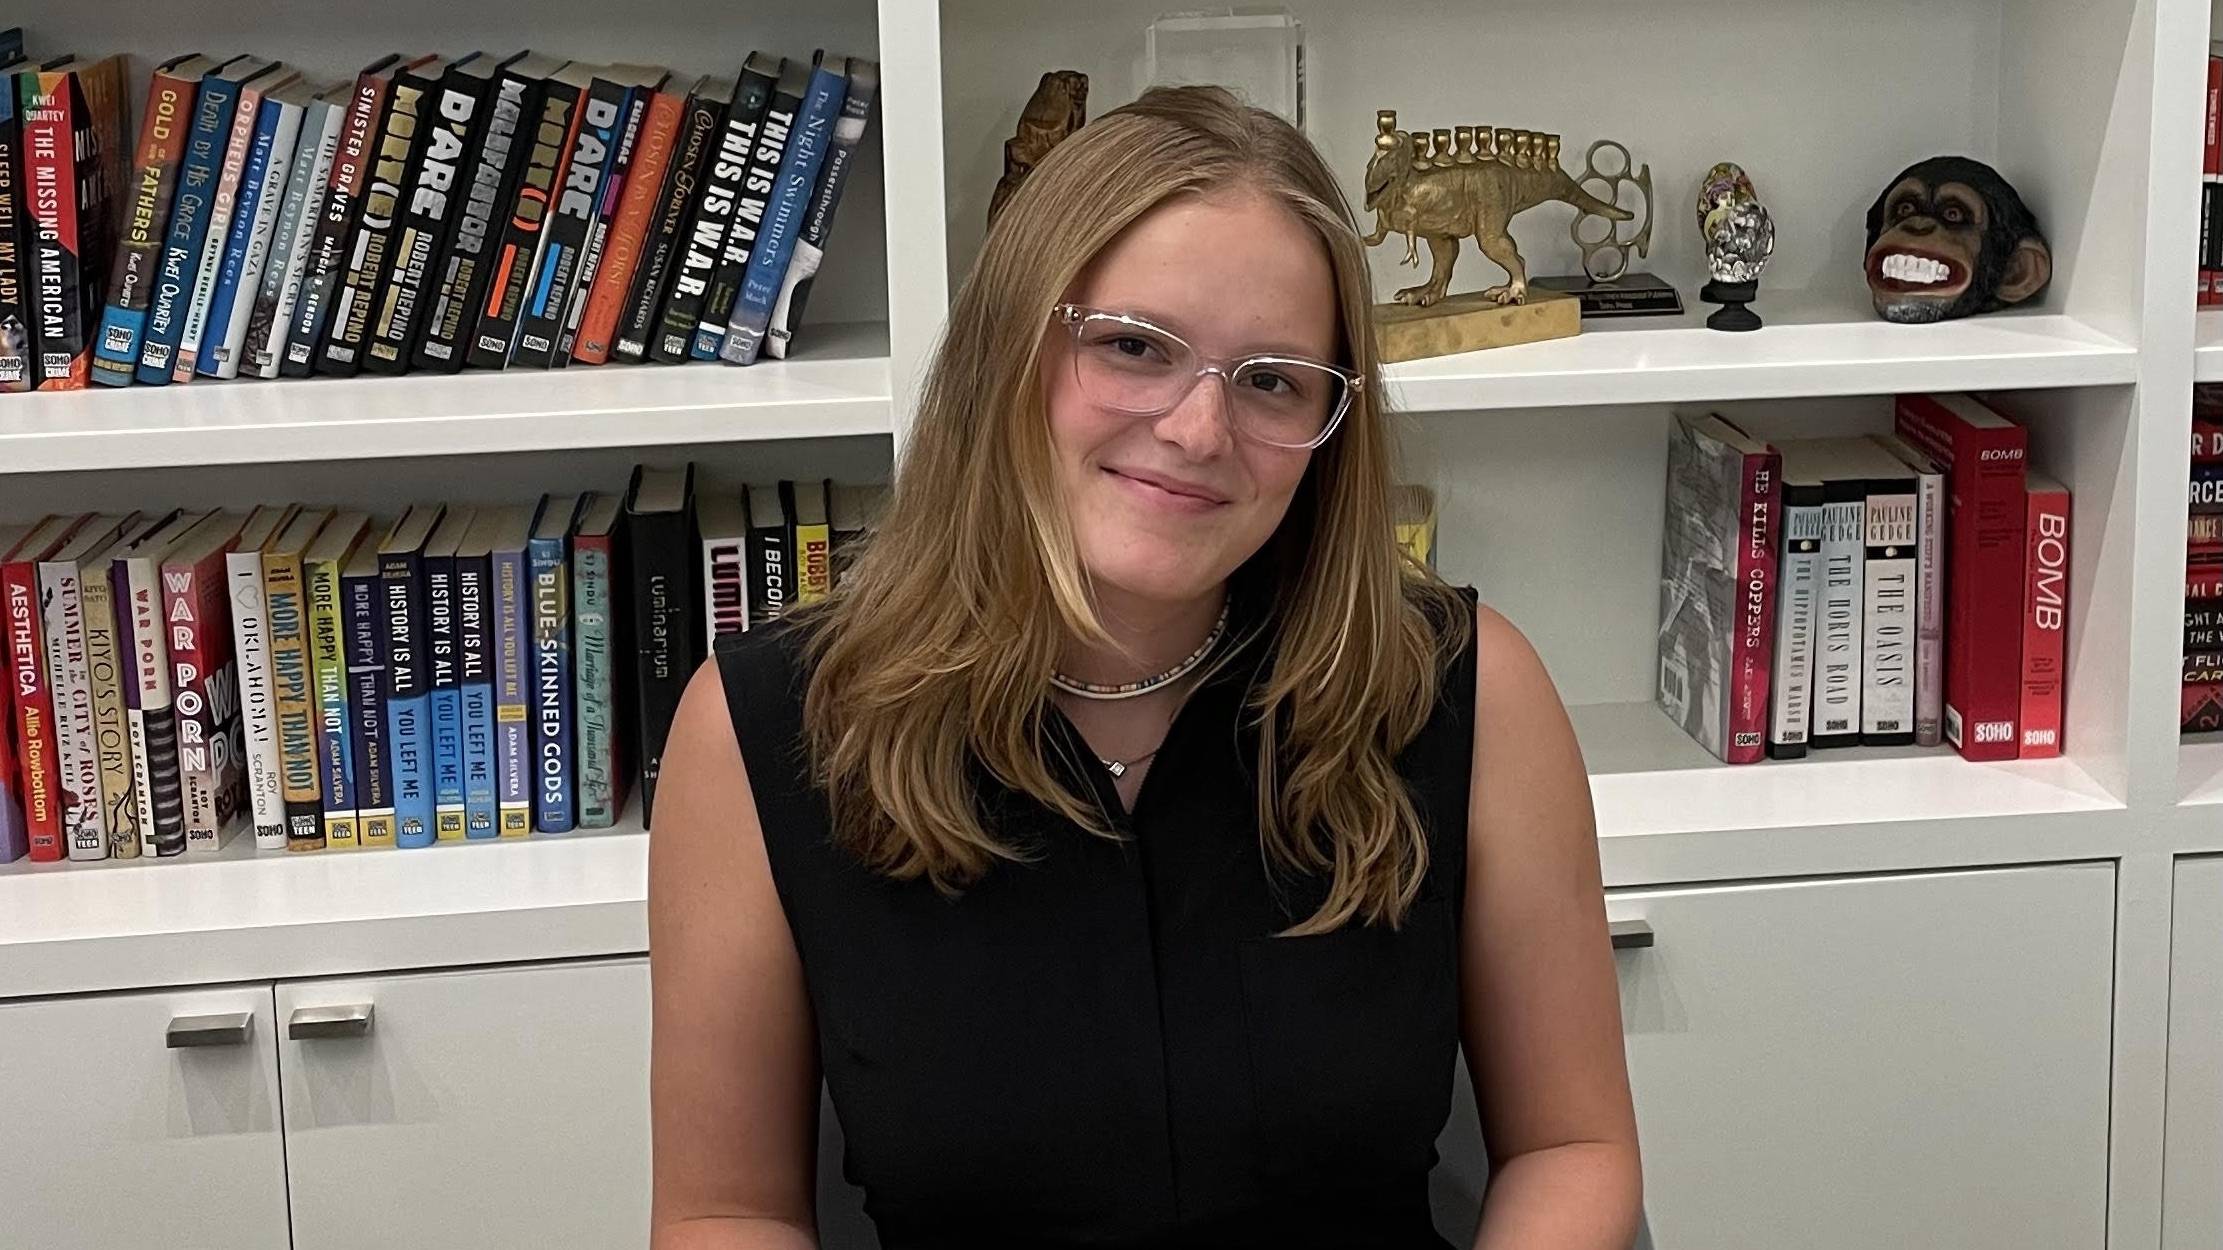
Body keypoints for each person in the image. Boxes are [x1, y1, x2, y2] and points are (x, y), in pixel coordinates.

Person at [648, 85, 1641, 1249]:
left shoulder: (1469, 690)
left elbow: (1572, 1147)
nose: (1197, 430)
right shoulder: (764, 728)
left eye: (1273, 377)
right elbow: (726, 1213)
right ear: (1010, 347)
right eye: (1132, 346)